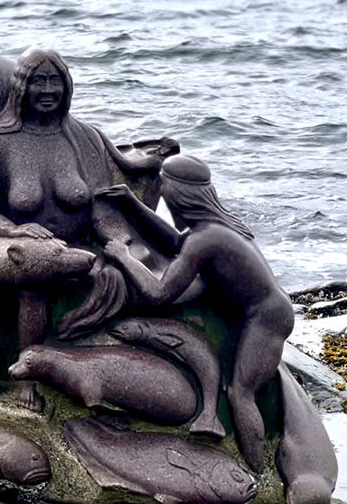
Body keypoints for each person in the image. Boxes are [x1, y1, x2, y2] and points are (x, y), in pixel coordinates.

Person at [0, 47, 162, 410]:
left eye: (54, 81)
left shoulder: (82, 138)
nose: (47, 90)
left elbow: (98, 203)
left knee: (129, 273)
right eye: (38, 81)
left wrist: (117, 242)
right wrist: (16, 231)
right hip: (28, 249)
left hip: (79, 245)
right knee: (35, 283)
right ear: (22, 87)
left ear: (66, 86)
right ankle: (29, 375)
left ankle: (105, 366)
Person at [99, 155, 294, 473]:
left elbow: (158, 295)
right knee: (241, 391)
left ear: (179, 198)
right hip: (266, 308)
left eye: (166, 197)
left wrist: (123, 257)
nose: (167, 205)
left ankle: (255, 471)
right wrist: (133, 204)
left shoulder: (204, 240)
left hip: (267, 318)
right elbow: (178, 242)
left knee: (240, 394)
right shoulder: (213, 228)